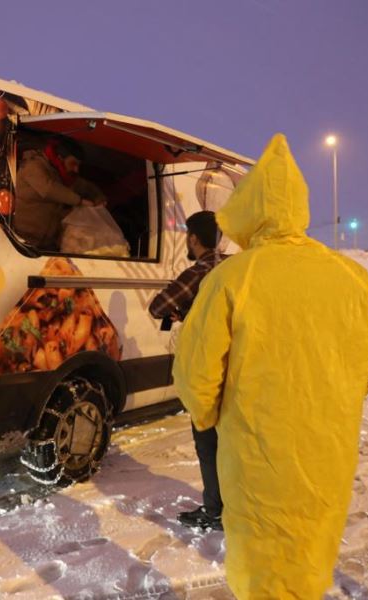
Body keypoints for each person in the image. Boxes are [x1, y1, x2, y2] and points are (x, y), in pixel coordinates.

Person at [172, 133, 368, 598]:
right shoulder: (351, 276)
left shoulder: (232, 277)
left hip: (256, 456)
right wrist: (329, 400)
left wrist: (212, 418)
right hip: (327, 455)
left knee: (262, 571)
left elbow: (196, 378)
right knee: (310, 563)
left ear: (249, 210)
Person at [148, 210, 227, 531]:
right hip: (244, 368)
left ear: (194, 238)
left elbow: (158, 307)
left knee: (208, 443)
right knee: (235, 444)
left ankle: (215, 510)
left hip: (209, 370)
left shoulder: (200, 272)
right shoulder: (236, 265)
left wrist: (185, 312)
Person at [13, 136, 107, 249]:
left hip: (47, 244)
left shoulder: (64, 176)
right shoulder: (33, 166)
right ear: (60, 158)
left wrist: (99, 197)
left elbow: (86, 187)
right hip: (20, 238)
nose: (76, 169)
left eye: (78, 165)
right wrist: (79, 201)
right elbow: (49, 189)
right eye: (73, 164)